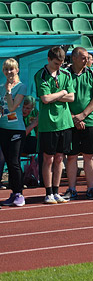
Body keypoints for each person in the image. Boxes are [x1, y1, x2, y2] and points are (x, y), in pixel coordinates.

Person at [35, 46, 75, 204]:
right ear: (48, 60)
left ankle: (57, 191)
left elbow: (72, 97)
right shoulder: (41, 75)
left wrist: (56, 96)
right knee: (48, 159)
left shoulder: (66, 74)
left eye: (61, 63)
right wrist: (62, 93)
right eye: (56, 63)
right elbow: (45, 99)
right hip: (48, 124)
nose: (59, 66)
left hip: (64, 122)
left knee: (59, 158)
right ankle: (48, 192)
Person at [65, 47, 93, 201]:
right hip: (69, 122)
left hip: (90, 121)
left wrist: (81, 116)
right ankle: (71, 189)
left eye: (87, 57)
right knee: (72, 156)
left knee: (89, 156)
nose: (86, 60)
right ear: (74, 58)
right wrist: (73, 118)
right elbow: (61, 99)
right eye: (83, 57)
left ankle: (91, 188)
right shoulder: (65, 74)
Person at [0, 58, 28, 207]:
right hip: (3, 128)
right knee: (8, 164)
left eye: (11, 69)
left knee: (14, 162)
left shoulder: (21, 87)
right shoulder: (1, 87)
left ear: (17, 70)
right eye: (6, 69)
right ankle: (13, 192)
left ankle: (19, 194)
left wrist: (9, 91)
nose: (9, 72)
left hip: (16, 129)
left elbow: (11, 108)